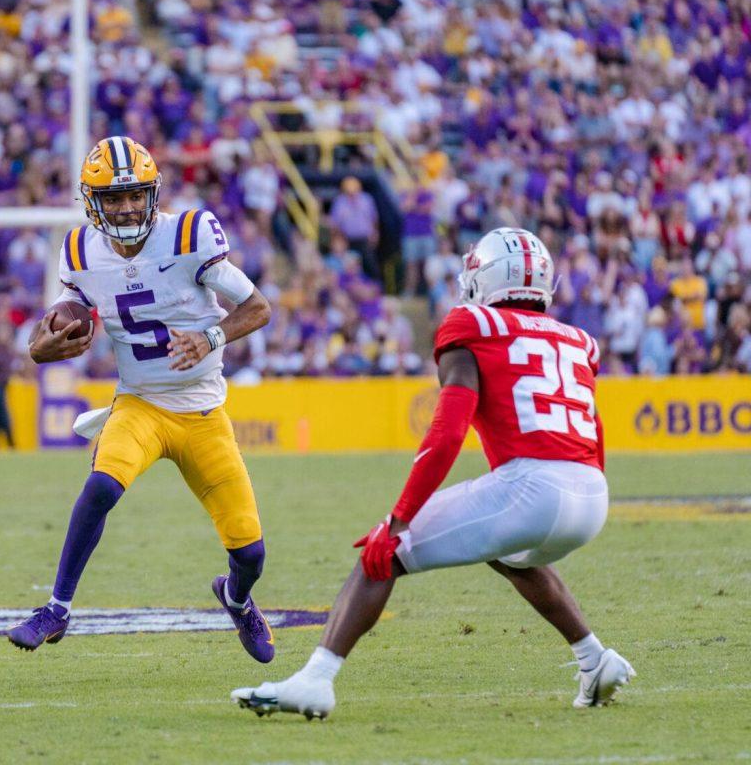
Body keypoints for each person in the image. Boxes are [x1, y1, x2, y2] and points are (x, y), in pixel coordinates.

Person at [232, 227, 635, 718]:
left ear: (483, 278)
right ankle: (595, 659)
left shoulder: (471, 324)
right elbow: (595, 430)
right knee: (507, 553)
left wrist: (398, 519)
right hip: (592, 494)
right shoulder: (579, 340)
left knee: (384, 553)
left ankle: (315, 680)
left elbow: (446, 435)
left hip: (534, 487)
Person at [8, 136, 275, 662]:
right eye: (113, 197)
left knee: (251, 552)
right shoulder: (80, 249)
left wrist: (211, 336)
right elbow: (57, 320)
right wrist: (41, 348)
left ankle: (237, 600)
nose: (127, 207)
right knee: (101, 486)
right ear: (93, 203)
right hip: (140, 403)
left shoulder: (189, 234)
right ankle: (56, 610)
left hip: (201, 410)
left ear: (153, 194)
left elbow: (258, 307)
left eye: (135, 195)